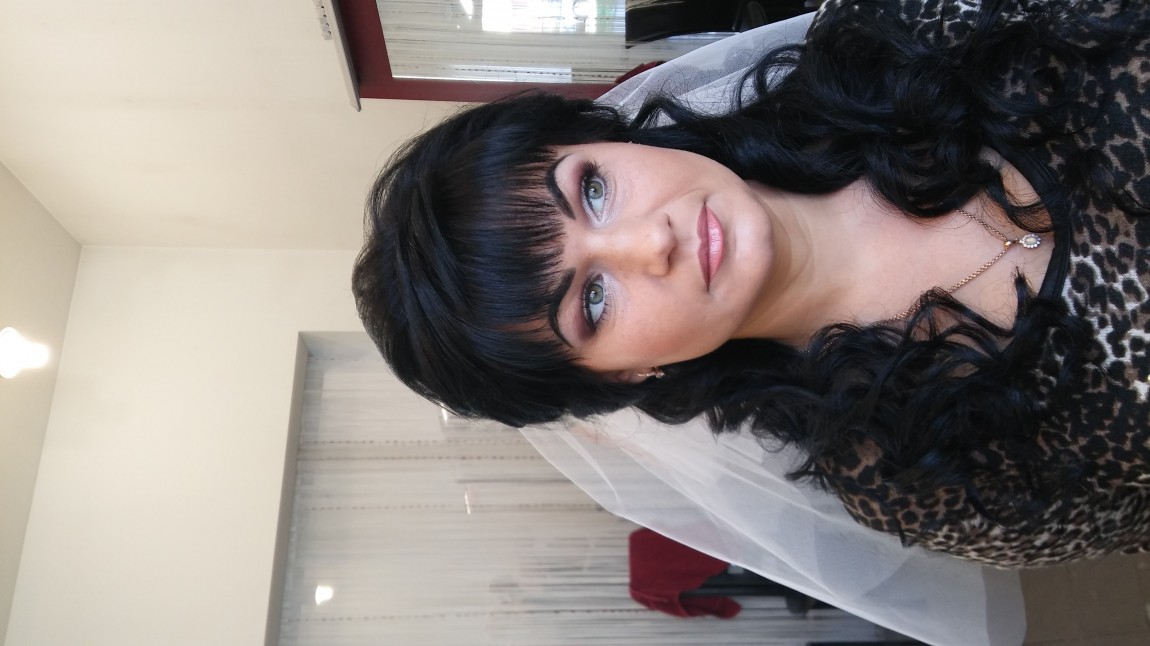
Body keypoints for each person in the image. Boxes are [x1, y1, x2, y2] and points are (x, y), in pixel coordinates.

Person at [352, 0, 1150, 567]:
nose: (651, 241)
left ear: (606, 137)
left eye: (592, 189)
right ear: (624, 375)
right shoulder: (906, 466)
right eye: (592, 300)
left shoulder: (889, 35)